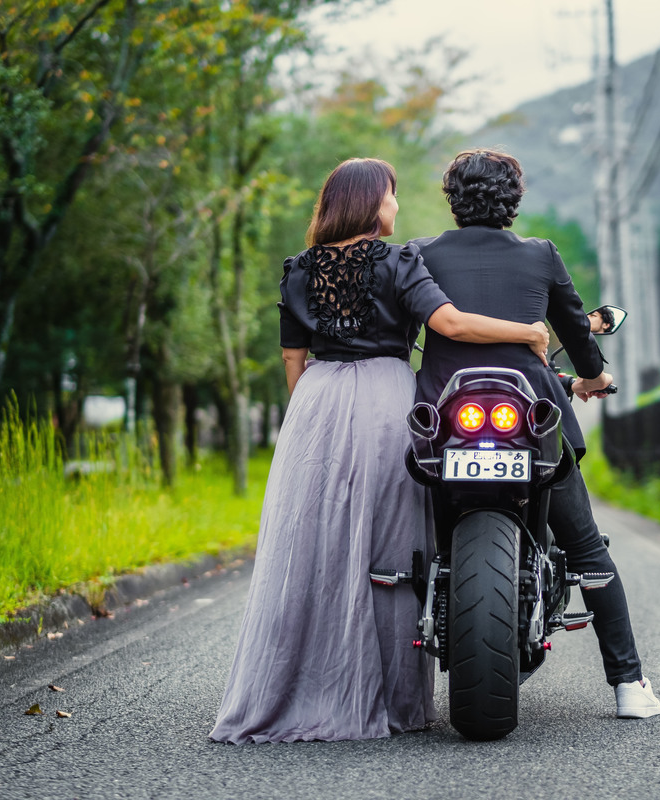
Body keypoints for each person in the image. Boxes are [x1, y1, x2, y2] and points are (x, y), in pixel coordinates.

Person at [209, 158, 549, 745]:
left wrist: (315, 420)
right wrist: (529, 332)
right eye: (390, 196)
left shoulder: (298, 270)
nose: (395, 207)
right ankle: (391, 701)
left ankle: (296, 688)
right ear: (371, 204)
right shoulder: (397, 262)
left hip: (316, 405)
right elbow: (453, 325)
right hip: (385, 400)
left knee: (313, 546)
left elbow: (293, 362)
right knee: (391, 549)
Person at [411, 149, 660, 719]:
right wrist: (596, 378)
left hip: (447, 421)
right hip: (531, 419)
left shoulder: (420, 254)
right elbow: (576, 331)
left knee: (401, 539)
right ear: (514, 199)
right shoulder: (541, 255)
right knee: (586, 549)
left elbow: (402, 334)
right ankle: (628, 686)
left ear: (452, 198)